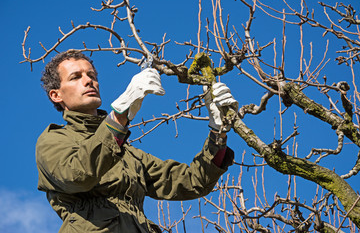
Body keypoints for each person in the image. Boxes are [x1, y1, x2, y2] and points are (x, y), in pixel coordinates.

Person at [36, 50, 238, 233]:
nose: (89, 81)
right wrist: (119, 115)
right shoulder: (53, 141)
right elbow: (78, 175)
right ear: (56, 95)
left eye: (92, 75)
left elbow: (193, 182)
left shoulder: (128, 153)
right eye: (76, 77)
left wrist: (217, 132)